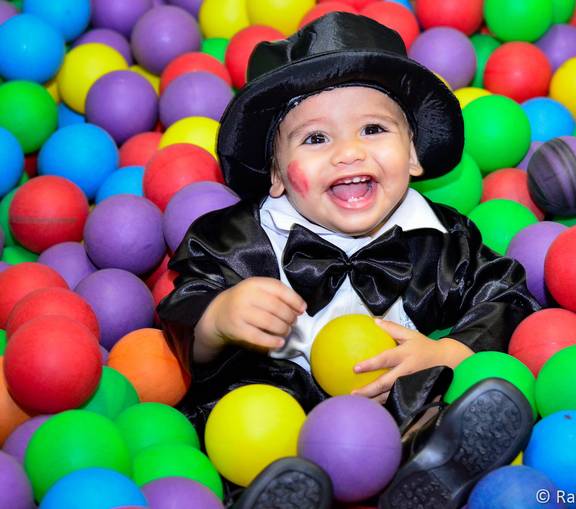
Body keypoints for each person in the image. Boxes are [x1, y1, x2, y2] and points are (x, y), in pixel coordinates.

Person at [158, 12, 539, 509]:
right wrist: (217, 319)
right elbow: (183, 308)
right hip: (275, 422)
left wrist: (452, 353)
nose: (348, 153)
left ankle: (432, 470)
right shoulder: (233, 240)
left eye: (374, 129)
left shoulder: (444, 240)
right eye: (316, 138)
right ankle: (274, 495)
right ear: (275, 173)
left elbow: (505, 292)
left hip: (396, 414)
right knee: (244, 418)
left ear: (414, 155)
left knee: (442, 394)